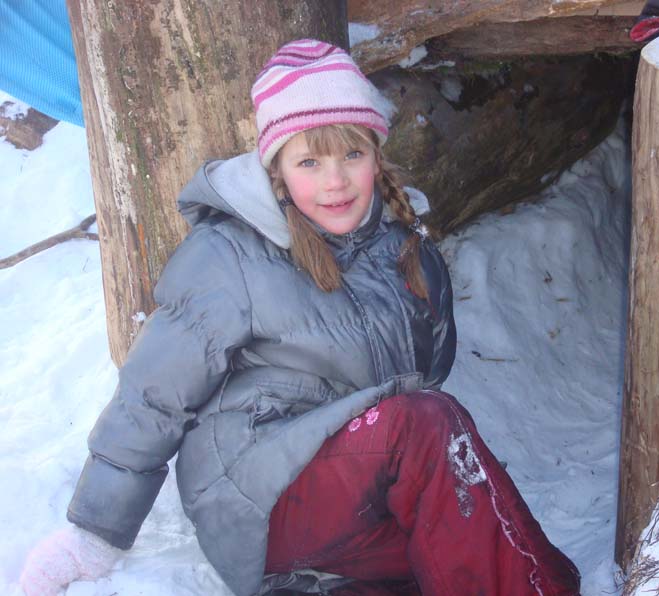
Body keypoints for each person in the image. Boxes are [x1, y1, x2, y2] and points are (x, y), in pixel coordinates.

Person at [19, 39, 581, 596]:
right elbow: (154, 394)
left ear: (376, 157)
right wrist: (95, 532)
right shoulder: (231, 255)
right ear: (278, 170)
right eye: (309, 161)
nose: (334, 181)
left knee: (478, 535)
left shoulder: (407, 252)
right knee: (425, 422)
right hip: (261, 496)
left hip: (359, 494)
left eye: (351, 155)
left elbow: (430, 372)